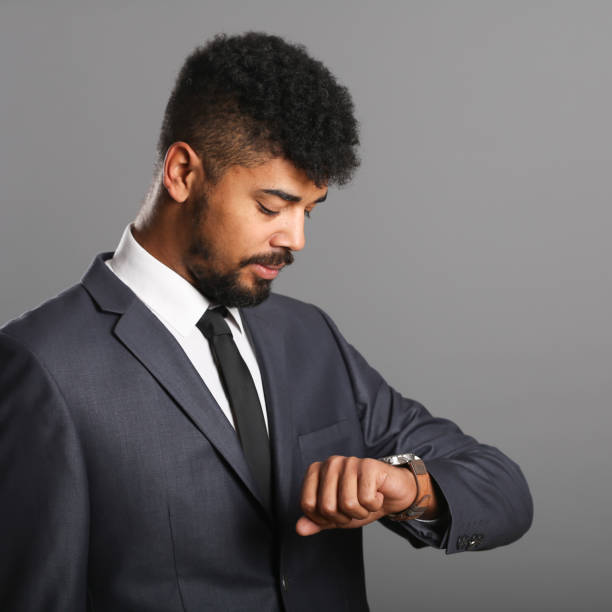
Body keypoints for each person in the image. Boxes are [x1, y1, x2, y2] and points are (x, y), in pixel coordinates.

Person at [0, 32, 532, 612]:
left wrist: (407, 488)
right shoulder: (42, 366)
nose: (296, 239)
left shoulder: (309, 336)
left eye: (308, 211)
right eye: (271, 207)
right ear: (181, 172)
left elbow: (501, 489)